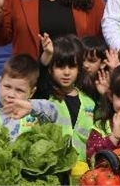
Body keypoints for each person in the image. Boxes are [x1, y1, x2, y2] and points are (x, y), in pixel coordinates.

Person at [38, 34, 96, 162]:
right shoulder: (46, 95)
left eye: (72, 66)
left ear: (79, 69)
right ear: (50, 69)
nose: (66, 72)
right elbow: (39, 75)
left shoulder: (89, 101)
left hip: (83, 170)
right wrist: (47, 55)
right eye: (60, 66)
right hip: (54, 167)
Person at [0, 53, 59, 140]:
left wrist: (31, 107)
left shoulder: (36, 116)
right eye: (7, 87)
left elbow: (53, 111)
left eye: (19, 90)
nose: (11, 95)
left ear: (32, 92)